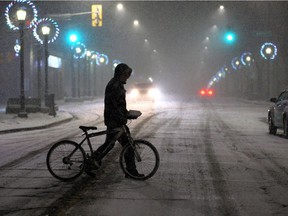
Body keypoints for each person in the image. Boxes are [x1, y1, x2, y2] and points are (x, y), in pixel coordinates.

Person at [92, 63, 144, 178]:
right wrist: (123, 116)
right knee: (127, 146)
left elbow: (119, 105)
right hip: (114, 120)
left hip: (115, 119)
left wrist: (126, 113)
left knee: (111, 144)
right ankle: (131, 171)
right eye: (125, 74)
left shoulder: (117, 84)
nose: (127, 77)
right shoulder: (115, 85)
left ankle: (93, 160)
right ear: (120, 73)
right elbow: (114, 106)